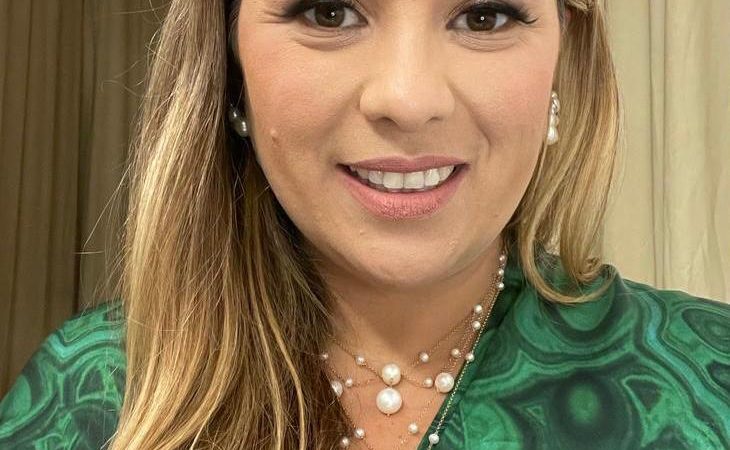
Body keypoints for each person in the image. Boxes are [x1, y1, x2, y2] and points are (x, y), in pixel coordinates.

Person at [1, 0, 728, 448]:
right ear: (229, 63)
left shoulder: (708, 385)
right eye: (329, 12)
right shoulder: (87, 394)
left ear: (564, 58)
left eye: (484, 15)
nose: (408, 99)